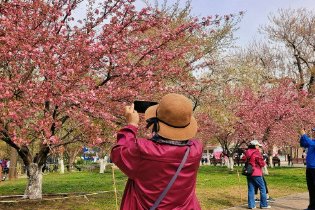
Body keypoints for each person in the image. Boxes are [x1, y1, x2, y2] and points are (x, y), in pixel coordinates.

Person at [111, 93, 202, 210]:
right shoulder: (196, 149)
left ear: (155, 120)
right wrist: (176, 119)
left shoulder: (144, 150)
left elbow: (118, 152)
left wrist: (131, 125)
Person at [245, 140, 271, 209]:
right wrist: (263, 161)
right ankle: (264, 205)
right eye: (258, 146)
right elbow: (262, 163)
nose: (259, 147)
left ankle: (251, 205)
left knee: (251, 188)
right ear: (255, 146)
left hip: (249, 172)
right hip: (256, 172)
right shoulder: (256, 153)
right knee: (262, 188)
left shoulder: (247, 152)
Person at [300, 128, 315, 210]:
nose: (314, 133)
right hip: (309, 168)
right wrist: (302, 137)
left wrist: (304, 135)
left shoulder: (312, 143)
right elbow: (303, 144)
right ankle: (312, 207)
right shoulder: (312, 141)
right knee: (311, 188)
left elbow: (310, 144)